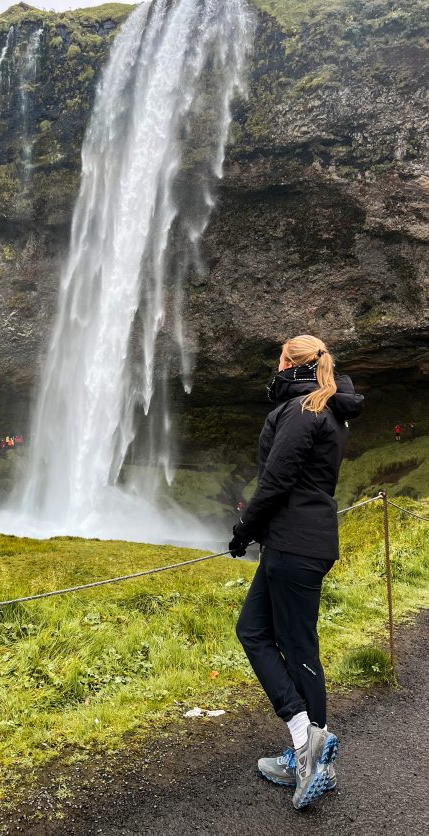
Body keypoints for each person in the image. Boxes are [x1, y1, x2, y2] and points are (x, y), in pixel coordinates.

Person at [230, 335, 363, 811]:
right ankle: (308, 746)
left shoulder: (303, 410)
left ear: (289, 362)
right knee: (253, 630)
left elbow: (277, 479)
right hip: (302, 541)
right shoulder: (328, 408)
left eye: (279, 357)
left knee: (298, 645)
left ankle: (307, 747)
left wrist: (245, 529)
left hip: (293, 544)